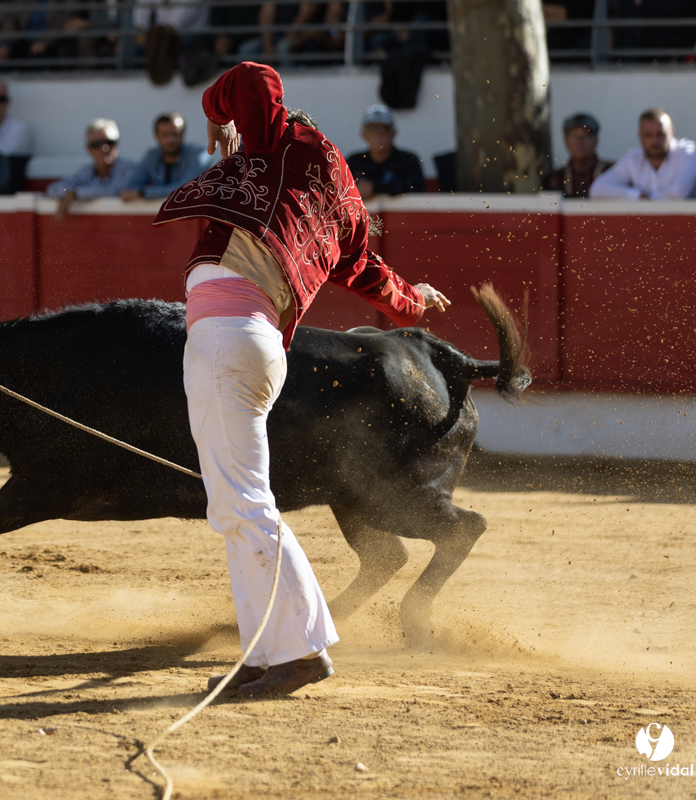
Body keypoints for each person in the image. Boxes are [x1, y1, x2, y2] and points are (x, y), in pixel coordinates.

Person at [153, 62, 449, 699]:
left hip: (227, 338)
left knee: (243, 507)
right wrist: (418, 303)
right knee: (237, 508)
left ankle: (303, 652)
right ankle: (266, 654)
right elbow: (377, 277)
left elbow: (255, 79)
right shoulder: (339, 210)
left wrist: (214, 111)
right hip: (251, 343)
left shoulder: (287, 145)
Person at [591, 108, 696, 200]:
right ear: (640, 135)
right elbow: (597, 189)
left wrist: (645, 199)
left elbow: (677, 194)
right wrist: (636, 195)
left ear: (672, 133)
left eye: (660, 134)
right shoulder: (633, 158)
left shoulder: (687, 151)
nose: (654, 141)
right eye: (648, 135)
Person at [45, 119, 137, 221]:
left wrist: (76, 194)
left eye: (109, 142)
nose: (104, 148)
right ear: (88, 149)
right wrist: (68, 192)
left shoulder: (130, 169)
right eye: (97, 144)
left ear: (117, 144)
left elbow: (113, 190)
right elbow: (53, 189)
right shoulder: (86, 171)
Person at [120, 112, 215, 201]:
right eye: (165, 135)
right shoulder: (151, 156)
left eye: (175, 134)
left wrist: (144, 193)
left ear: (182, 134)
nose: (170, 140)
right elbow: (129, 190)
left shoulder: (198, 154)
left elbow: (186, 190)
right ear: (156, 136)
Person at [345, 104, 424, 199]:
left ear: (393, 133)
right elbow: (339, 190)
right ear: (364, 134)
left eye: (383, 129)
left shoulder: (407, 160)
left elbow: (416, 187)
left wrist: (374, 188)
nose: (377, 134)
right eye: (371, 129)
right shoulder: (354, 162)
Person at [541, 113, 613, 198]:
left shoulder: (612, 172)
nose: (579, 142)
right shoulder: (554, 178)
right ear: (566, 141)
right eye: (573, 137)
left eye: (585, 136)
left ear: (596, 140)